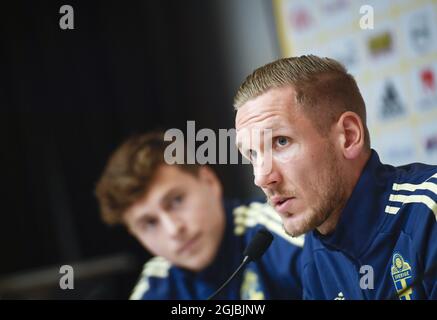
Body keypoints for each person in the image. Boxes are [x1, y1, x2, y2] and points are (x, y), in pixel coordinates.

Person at [234, 55, 437, 300]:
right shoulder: (315, 252)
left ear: (349, 136)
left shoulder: (429, 213)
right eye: (252, 154)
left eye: (281, 142)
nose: (262, 177)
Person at [95, 131, 304, 300]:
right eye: (149, 223)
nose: (174, 230)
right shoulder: (154, 287)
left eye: (176, 201)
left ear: (209, 182)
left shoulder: (281, 232)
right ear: (135, 235)